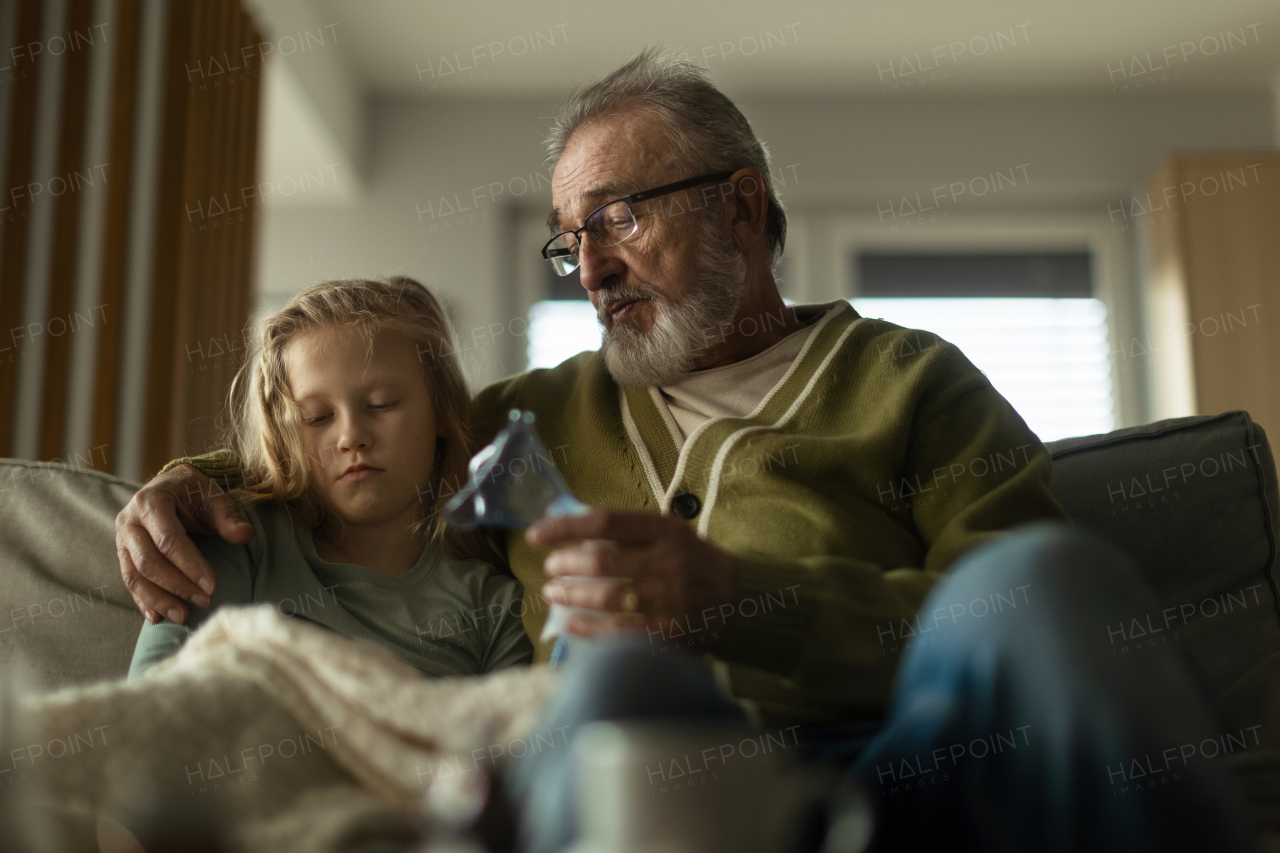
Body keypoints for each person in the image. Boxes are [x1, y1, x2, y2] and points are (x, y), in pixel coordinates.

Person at [114, 50, 1261, 851]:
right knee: (615, 675)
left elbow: (997, 628)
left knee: (1041, 578)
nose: (593, 266)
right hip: (650, 769)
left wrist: (740, 598)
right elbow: (352, 438)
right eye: (570, 244)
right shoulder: (528, 418)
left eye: (617, 216)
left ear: (736, 203)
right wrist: (180, 486)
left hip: (909, 758)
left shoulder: (910, 381)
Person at [130, 277, 532, 678]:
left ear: (441, 411)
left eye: (381, 404)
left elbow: (517, 734)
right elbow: (153, 707)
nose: (351, 436)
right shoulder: (239, 539)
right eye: (317, 418)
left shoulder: (492, 605)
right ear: (286, 434)